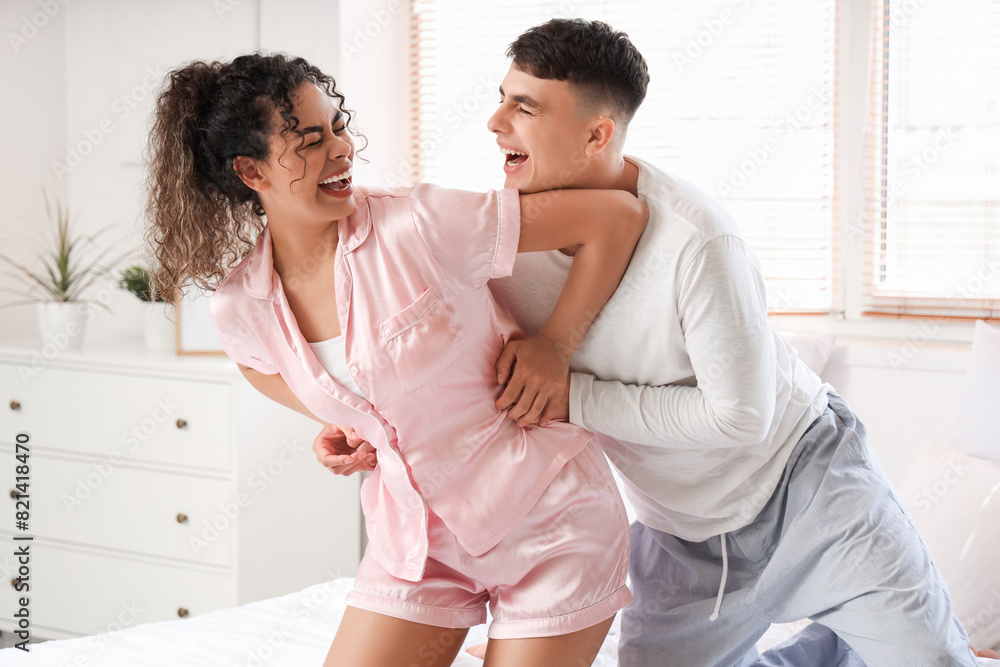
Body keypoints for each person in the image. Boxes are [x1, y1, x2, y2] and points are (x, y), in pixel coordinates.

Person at [316, 18, 981, 667]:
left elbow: (740, 417)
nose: (495, 122)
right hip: (681, 536)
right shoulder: (494, 240)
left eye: (525, 107)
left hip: (809, 488)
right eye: (501, 98)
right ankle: (840, 648)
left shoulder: (699, 241)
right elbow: (448, 368)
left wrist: (574, 396)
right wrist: (367, 426)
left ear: (597, 134)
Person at [145, 52, 647, 666]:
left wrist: (555, 345)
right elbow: (258, 366)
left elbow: (616, 218)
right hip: (415, 544)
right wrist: (349, 416)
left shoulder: (420, 223)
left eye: (338, 128)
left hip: (550, 520)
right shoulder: (240, 305)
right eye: (311, 141)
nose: (341, 150)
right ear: (250, 171)